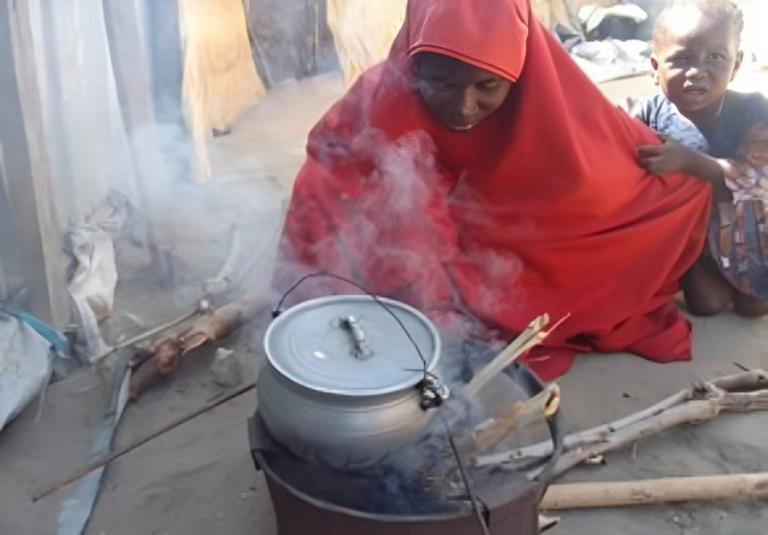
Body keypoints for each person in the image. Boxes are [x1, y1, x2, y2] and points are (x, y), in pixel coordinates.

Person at [272, 0, 712, 380]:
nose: (464, 107)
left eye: (488, 86)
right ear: (413, 62)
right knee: (326, 187)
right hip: (430, 239)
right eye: (442, 84)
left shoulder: (548, 90)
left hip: (503, 229)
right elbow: (331, 176)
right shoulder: (383, 95)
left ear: (519, 73)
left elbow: (607, 174)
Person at [636, 0, 768, 317]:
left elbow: (758, 178)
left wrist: (690, 161)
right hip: (692, 238)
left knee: (755, 306)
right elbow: (618, 148)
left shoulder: (752, 110)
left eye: (715, 58)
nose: (697, 71)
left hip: (748, 236)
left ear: (735, 66)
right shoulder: (650, 112)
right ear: (655, 68)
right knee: (707, 306)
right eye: (681, 58)